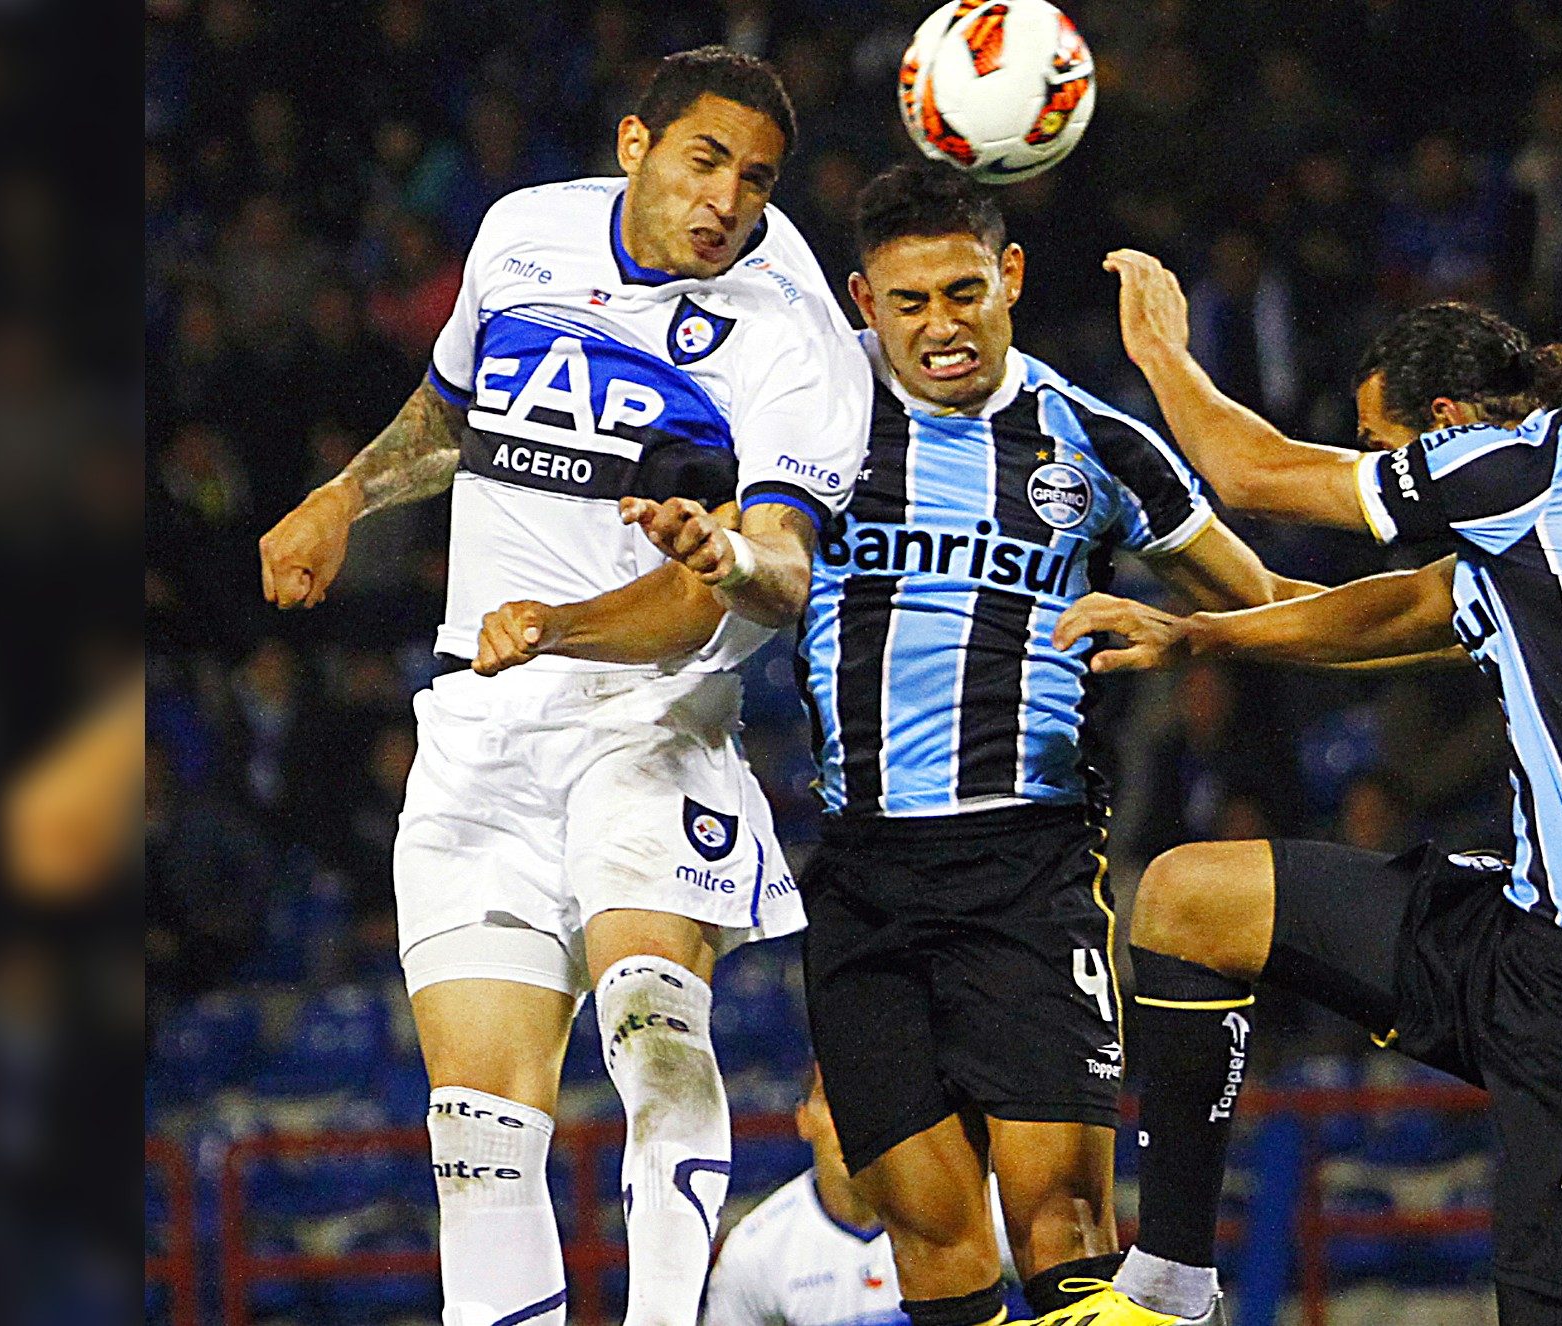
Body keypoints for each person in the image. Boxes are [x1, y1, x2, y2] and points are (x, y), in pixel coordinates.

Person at [473, 164, 1356, 1326]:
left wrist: (1431, 630)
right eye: (907, 302)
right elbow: (700, 591)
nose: (940, 326)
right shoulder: (811, 426)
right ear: (861, 301)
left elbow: (1263, 603)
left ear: (1013, 280)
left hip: (1031, 869)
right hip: (865, 882)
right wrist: (557, 626)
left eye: (963, 292)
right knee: (934, 1243)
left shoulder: (1093, 441)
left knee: (1064, 1227)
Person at [254, 48, 872, 1326]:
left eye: (756, 181)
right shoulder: (524, 234)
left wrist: (637, 594)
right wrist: (342, 495)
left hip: (649, 720)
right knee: (478, 1137)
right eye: (706, 162)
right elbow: (448, 415)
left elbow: (773, 577)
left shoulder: (788, 330)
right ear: (637, 141)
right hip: (480, 723)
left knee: (652, 1021)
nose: (728, 202)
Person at [1020, 253, 1562, 1326]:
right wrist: (1203, 632)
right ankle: (1170, 1289)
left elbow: (1251, 470)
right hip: (1518, 938)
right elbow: (1397, 615)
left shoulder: (1510, 470)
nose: (1367, 465)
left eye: (1377, 444)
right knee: (1186, 900)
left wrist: (1161, 356)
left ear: (1447, 420)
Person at [704, 1070, 1015, 1326]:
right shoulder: (756, 1251)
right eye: (834, 1102)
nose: (853, 1121)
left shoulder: (981, 1209)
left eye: (871, 1102)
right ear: (803, 1119)